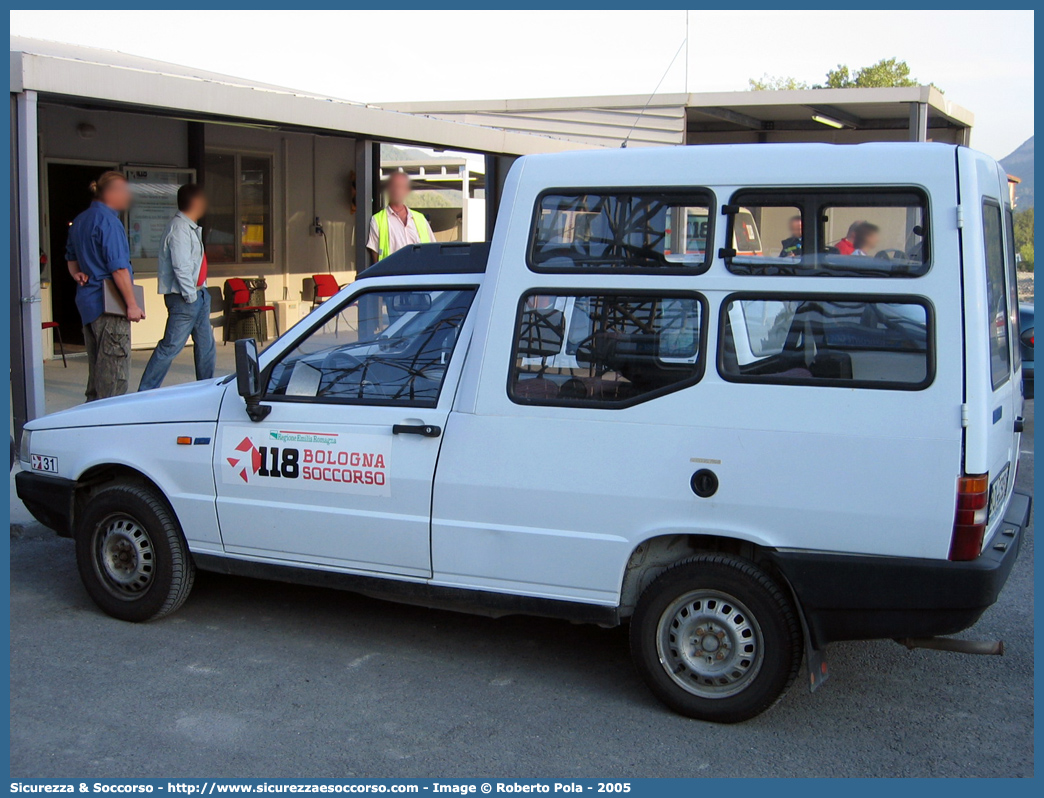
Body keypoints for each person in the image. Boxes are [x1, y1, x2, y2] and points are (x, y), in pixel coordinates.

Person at [65, 171, 145, 401]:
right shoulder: (109, 222)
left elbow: (70, 257)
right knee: (114, 376)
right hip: (109, 306)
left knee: (97, 372)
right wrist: (132, 304)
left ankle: (90, 420)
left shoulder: (80, 220)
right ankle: (107, 427)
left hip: (88, 304)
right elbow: (118, 269)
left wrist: (77, 274)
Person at [138, 184, 216, 391]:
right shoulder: (180, 228)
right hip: (185, 298)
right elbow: (180, 266)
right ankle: (145, 392)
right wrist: (191, 296)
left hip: (199, 294)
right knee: (170, 347)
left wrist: (201, 292)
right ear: (196, 203)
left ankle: (207, 388)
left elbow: (195, 264)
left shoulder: (189, 226)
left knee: (206, 346)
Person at [366, 172, 435, 264]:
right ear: (388, 189)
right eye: (394, 186)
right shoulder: (378, 220)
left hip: (419, 276)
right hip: (392, 276)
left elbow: (433, 251)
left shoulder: (420, 219)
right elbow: (375, 261)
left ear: (407, 190)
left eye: (401, 186)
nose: (397, 190)